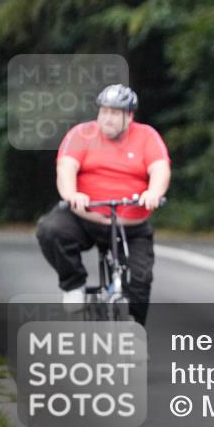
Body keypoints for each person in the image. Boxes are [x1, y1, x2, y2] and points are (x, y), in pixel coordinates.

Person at [35, 84, 171, 325]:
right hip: (85, 217)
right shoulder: (82, 134)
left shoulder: (147, 136)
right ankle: (73, 284)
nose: (107, 118)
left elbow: (160, 168)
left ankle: (134, 333)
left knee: (140, 280)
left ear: (129, 116)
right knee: (50, 229)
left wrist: (153, 192)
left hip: (130, 225)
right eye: (104, 111)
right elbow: (66, 167)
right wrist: (72, 195)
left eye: (114, 113)